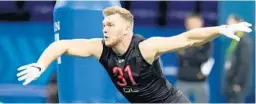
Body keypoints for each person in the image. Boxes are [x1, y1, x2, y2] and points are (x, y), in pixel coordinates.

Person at [16, 6, 252, 103]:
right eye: (103, 24)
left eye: (110, 25)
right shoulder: (100, 47)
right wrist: (39, 65)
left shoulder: (146, 48)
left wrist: (220, 29)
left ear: (127, 29)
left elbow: (188, 39)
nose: (104, 28)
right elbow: (62, 46)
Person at [176, 13, 212, 103]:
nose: (193, 25)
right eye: (190, 23)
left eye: (195, 23)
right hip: (183, 80)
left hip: (199, 81)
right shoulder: (181, 38)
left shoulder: (206, 39)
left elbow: (205, 58)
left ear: (201, 23)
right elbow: (180, 55)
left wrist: (188, 53)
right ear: (186, 24)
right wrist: (197, 51)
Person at [223, 14, 253, 103]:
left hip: (238, 83)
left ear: (239, 23)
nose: (229, 27)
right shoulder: (235, 40)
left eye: (231, 24)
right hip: (231, 81)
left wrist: (238, 82)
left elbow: (245, 63)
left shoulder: (245, 41)